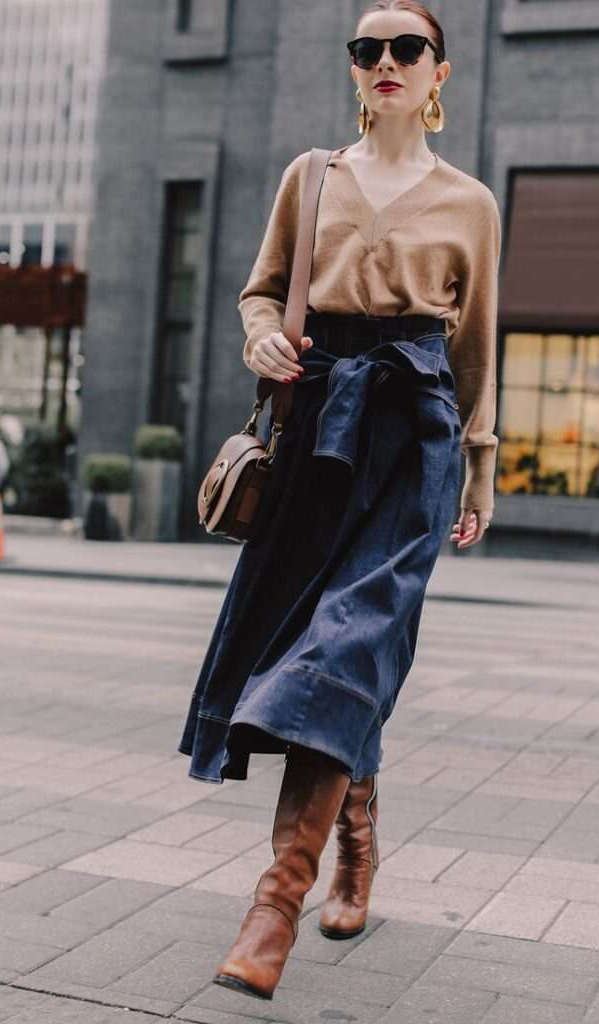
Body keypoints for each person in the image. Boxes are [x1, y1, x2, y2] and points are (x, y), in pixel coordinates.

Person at [177, 0, 501, 1001]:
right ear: (354, 71)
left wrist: (477, 469)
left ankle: (276, 903)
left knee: (347, 641)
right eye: (367, 49)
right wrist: (261, 337)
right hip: (318, 418)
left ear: (438, 71)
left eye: (408, 47)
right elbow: (260, 291)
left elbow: (476, 345)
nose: (386, 61)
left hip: (414, 435)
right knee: (307, 644)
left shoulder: (470, 203)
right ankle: (354, 825)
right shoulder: (310, 178)